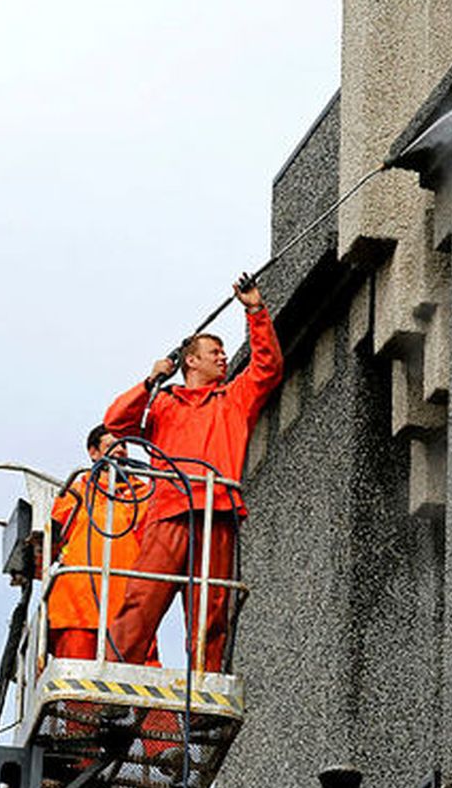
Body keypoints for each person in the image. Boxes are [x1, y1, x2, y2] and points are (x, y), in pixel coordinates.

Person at [102, 277, 283, 674]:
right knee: (142, 600)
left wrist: (254, 310)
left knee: (212, 611)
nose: (223, 358)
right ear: (191, 360)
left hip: (217, 512)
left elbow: (268, 367)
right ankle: (112, 682)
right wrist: (150, 381)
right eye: (214, 352)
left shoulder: (234, 398)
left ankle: (204, 686)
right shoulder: (163, 403)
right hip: (168, 513)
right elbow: (116, 422)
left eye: (222, 352)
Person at [45, 424, 154, 663]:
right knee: (76, 686)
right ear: (93, 452)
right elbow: (49, 542)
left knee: (136, 686)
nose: (121, 451)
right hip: (76, 606)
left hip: (131, 606)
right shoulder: (74, 492)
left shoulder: (144, 495)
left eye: (124, 445)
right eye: (112, 445)